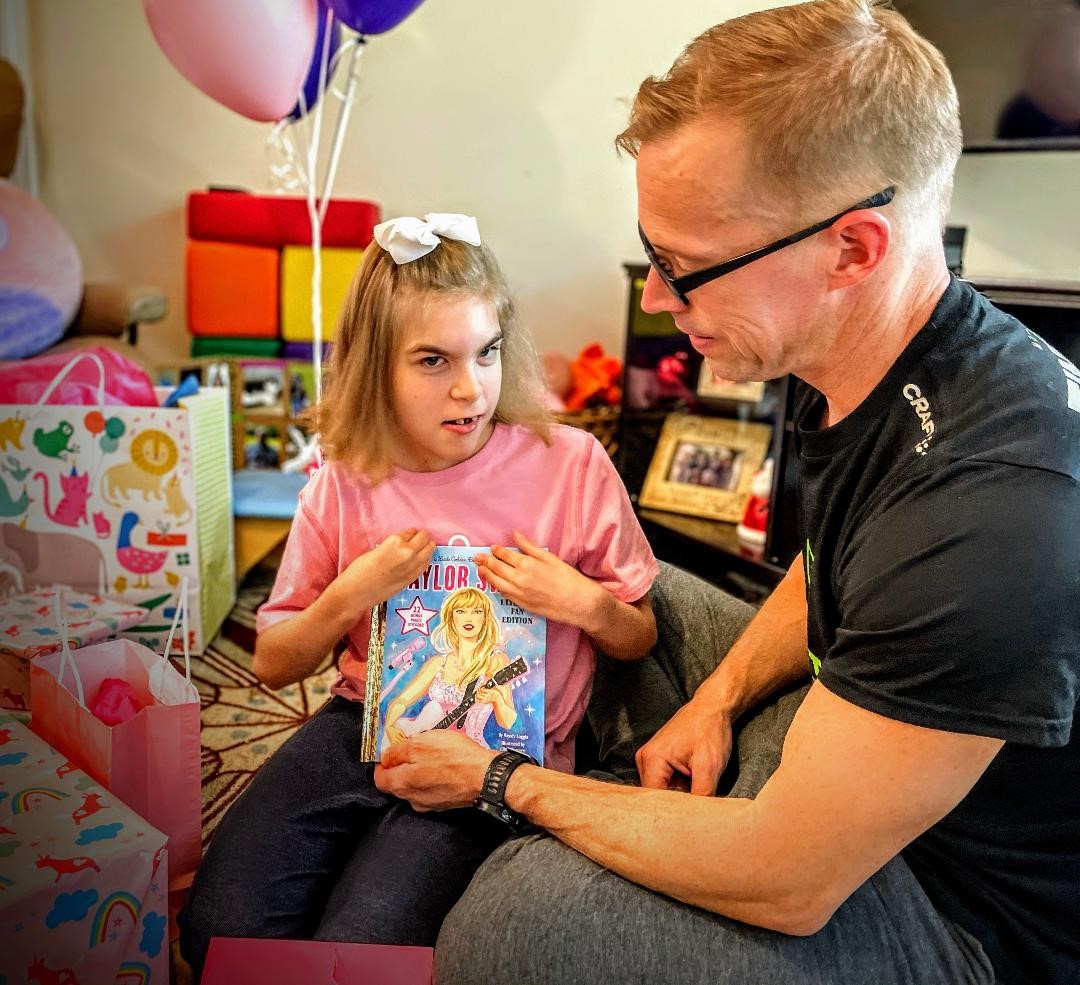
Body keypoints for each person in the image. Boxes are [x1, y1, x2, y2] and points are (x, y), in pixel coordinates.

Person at [373, 4, 1080, 984]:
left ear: (853, 249)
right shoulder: (877, 356)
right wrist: (715, 699)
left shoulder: (990, 511)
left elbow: (791, 877)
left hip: (956, 912)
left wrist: (505, 781)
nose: (657, 297)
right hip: (868, 752)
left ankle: (632, 825)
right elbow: (828, 568)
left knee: (505, 925)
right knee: (636, 588)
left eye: (687, 267)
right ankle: (666, 800)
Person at [177, 213, 658, 974]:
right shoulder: (345, 478)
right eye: (433, 360)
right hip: (362, 720)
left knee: (358, 950)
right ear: (377, 366)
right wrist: (348, 595)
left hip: (498, 752)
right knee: (218, 930)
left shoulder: (569, 464)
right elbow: (272, 661)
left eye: (488, 352)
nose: (471, 388)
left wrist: (582, 602)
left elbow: (639, 634)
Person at [381, 586, 518, 751]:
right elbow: (401, 701)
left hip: (471, 752)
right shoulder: (437, 663)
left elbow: (508, 722)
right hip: (429, 749)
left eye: (476, 611)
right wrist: (389, 726)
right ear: (451, 618)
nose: (469, 618)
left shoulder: (496, 661)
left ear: (485, 618)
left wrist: (497, 697)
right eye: (460, 611)